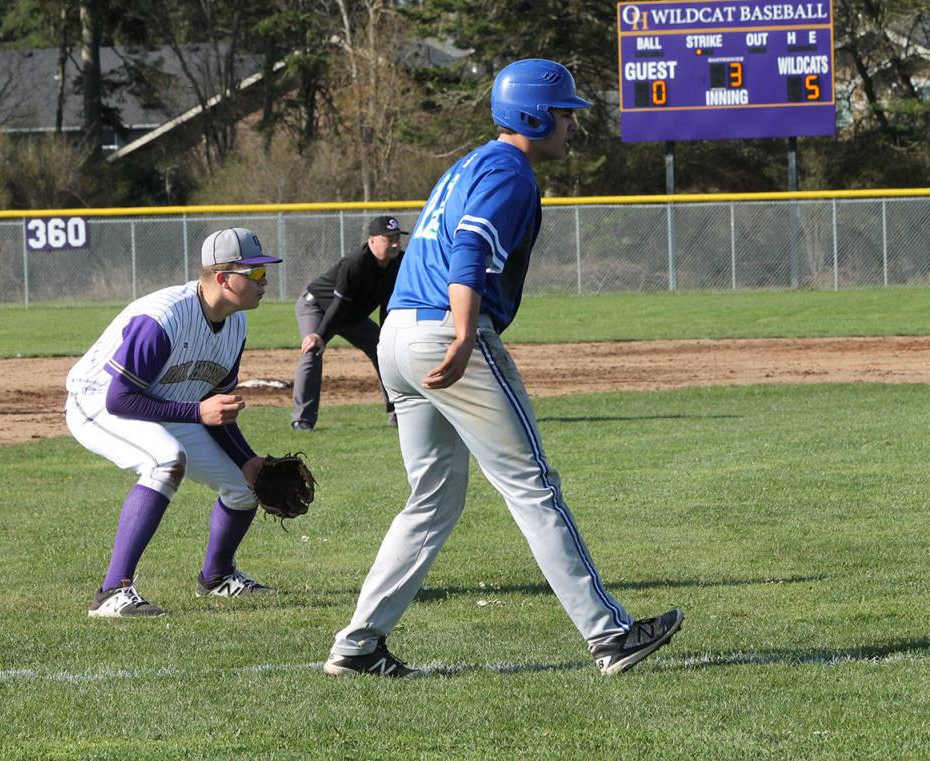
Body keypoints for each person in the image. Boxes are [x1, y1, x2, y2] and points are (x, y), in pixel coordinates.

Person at [323, 59, 683, 677]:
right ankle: (611, 635)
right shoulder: (510, 170)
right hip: (443, 328)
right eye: (565, 112)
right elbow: (469, 247)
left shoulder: (469, 163)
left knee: (430, 503)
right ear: (535, 115)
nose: (571, 123)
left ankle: (357, 647)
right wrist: (464, 332)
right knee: (532, 486)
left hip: (399, 338)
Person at [65, 227, 283, 617]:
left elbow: (213, 406)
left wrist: (247, 460)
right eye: (254, 273)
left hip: (164, 402)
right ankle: (112, 592)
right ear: (221, 277)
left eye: (264, 272)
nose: (264, 281)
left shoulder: (235, 324)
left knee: (243, 485)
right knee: (165, 459)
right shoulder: (164, 318)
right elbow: (120, 399)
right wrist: (197, 413)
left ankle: (217, 577)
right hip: (96, 402)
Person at [291, 216, 407, 431]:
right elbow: (338, 304)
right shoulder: (355, 263)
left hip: (352, 316)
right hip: (317, 307)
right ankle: (302, 419)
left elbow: (387, 303)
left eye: (397, 238)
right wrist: (321, 336)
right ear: (372, 240)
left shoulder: (399, 262)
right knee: (313, 350)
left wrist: (387, 335)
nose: (395, 244)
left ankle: (398, 412)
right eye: (388, 238)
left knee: (384, 351)